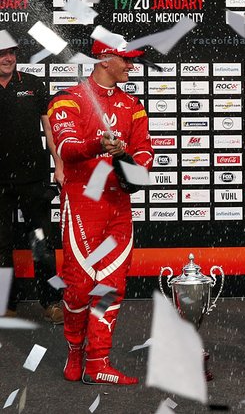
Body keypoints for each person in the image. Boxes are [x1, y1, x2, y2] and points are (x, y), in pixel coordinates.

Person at [48, 38, 153, 385]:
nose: (131, 67)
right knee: (79, 287)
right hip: (82, 202)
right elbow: (67, 148)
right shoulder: (68, 99)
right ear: (106, 59)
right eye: (126, 60)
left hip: (117, 207)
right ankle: (75, 351)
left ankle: (98, 361)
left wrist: (133, 165)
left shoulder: (132, 105)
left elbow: (144, 151)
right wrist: (99, 145)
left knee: (110, 285)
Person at [0, 30, 64, 323]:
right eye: (2, 54)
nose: (8, 58)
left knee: (41, 243)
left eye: (11, 53)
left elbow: (50, 131)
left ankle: (51, 302)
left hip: (34, 179)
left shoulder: (34, 85)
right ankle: (6, 303)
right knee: (1, 246)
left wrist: (59, 165)